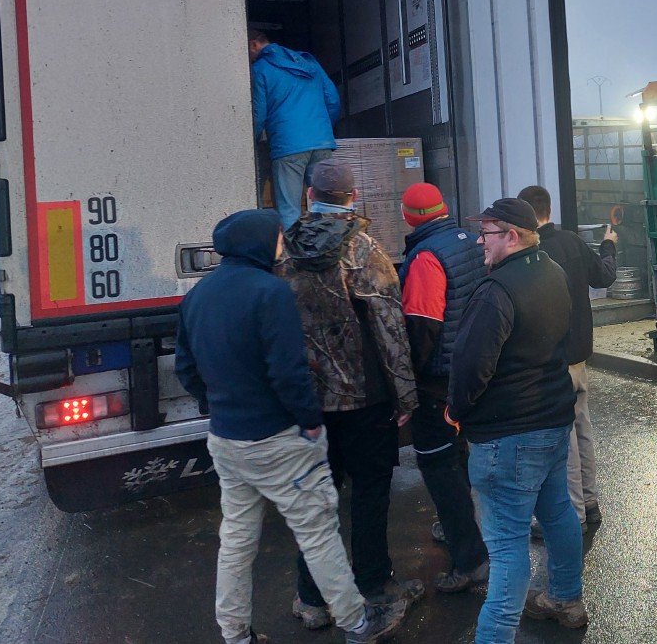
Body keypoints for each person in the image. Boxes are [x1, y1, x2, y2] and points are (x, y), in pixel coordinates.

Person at [175, 208, 407, 644]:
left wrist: (216, 404)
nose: (283, 244)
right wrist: (309, 421)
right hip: (278, 437)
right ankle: (358, 624)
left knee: (237, 540)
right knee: (318, 533)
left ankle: (236, 634)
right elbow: (289, 371)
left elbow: (186, 368)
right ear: (259, 243)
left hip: (226, 438)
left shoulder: (197, 295)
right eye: (278, 236)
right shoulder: (270, 292)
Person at [274, 159, 423, 629]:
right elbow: (389, 329)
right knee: (371, 493)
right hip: (364, 401)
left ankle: (311, 597)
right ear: (352, 197)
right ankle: (375, 588)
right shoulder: (363, 251)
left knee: (315, 499)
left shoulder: (284, 250)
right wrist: (406, 397)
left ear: (309, 194)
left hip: (308, 401)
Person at [449, 198, 586, 642]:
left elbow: (471, 367)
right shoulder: (553, 271)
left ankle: (495, 637)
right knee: (557, 511)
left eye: (485, 234)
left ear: (511, 235)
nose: (478, 243)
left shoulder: (496, 292)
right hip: (551, 419)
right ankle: (566, 598)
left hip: (506, 435)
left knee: (507, 545)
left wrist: (457, 410)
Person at [397, 182, 491, 592]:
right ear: (444, 208)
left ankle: (469, 559)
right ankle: (467, 528)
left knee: (439, 466)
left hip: (437, 381)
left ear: (408, 216)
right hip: (472, 370)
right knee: (465, 455)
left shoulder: (425, 258)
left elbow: (423, 326)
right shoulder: (472, 242)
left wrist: (407, 381)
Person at [517, 185, 616, 528]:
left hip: (552, 361)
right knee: (582, 428)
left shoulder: (532, 253)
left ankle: (572, 516)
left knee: (565, 441)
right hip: (578, 358)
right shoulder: (572, 242)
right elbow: (604, 275)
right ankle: (589, 502)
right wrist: (609, 245)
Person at [249, 28, 342, 229]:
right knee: (328, 205)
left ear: (254, 44)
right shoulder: (310, 63)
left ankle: (294, 259)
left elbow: (259, 114)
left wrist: (252, 142)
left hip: (288, 146)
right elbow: (333, 99)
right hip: (321, 142)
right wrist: (323, 130)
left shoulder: (260, 69)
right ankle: (330, 256)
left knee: (290, 210)